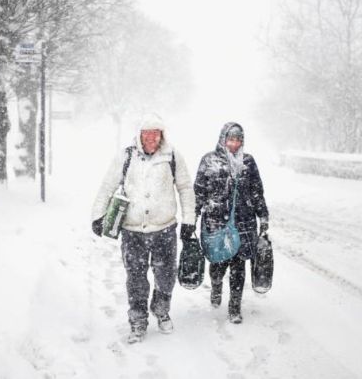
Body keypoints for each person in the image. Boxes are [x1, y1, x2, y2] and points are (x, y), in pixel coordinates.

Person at [91, 113, 196, 344]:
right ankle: (138, 320)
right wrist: (97, 215)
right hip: (132, 231)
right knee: (136, 279)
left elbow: (186, 189)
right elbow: (107, 186)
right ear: (140, 134)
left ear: (162, 135)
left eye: (156, 133)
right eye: (147, 132)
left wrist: (189, 220)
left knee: (166, 276)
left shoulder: (172, 156)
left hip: (165, 229)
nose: (151, 137)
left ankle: (161, 310)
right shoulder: (126, 156)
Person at [183, 122, 269, 324]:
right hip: (216, 223)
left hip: (243, 222)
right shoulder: (209, 161)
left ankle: (234, 307)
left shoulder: (248, 162)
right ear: (223, 139)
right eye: (231, 139)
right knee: (218, 264)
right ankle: (215, 285)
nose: (235, 143)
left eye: (238, 139)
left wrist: (263, 216)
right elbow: (199, 192)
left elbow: (257, 192)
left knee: (239, 265)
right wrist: (191, 219)